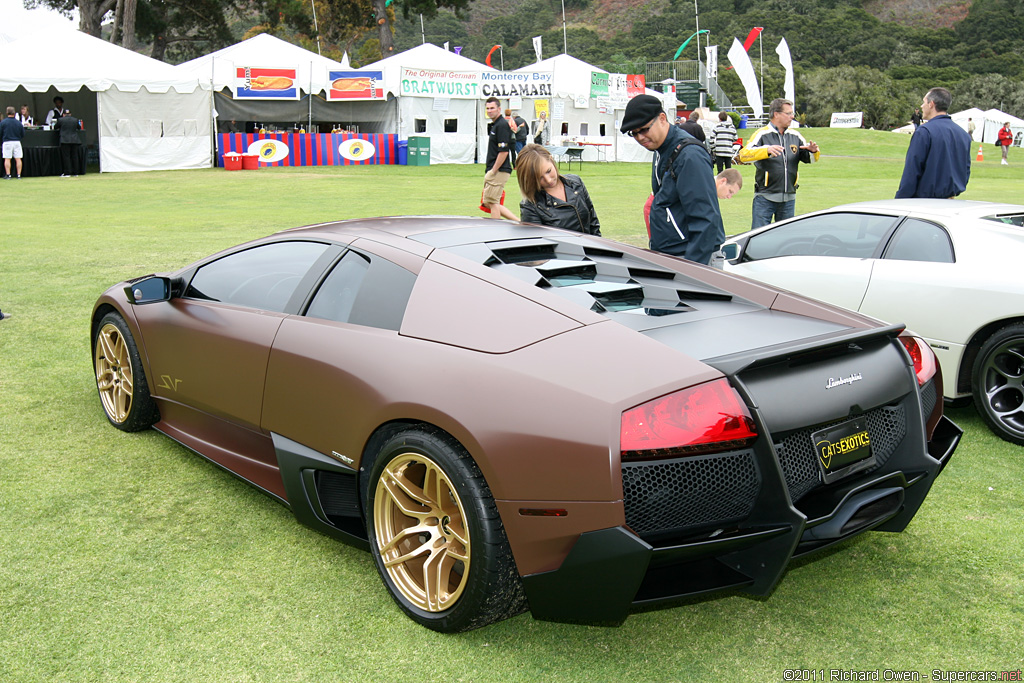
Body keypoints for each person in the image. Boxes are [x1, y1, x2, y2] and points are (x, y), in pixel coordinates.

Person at [621, 94, 725, 266]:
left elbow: (706, 218)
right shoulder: (661, 149)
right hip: (674, 254)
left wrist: (691, 272)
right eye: (634, 133)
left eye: (644, 129)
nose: (640, 137)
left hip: (693, 258)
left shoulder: (689, 155)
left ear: (662, 118)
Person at [739, 98, 820, 228]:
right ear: (776, 114)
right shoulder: (762, 134)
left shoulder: (796, 136)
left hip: (789, 199)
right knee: (758, 236)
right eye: (788, 113)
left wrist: (813, 152)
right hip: (765, 197)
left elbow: (811, 159)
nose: (792, 117)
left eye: (792, 113)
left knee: (785, 237)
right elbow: (744, 155)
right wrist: (766, 151)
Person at [895, 87, 971, 199]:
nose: (921, 106)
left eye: (924, 102)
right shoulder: (963, 134)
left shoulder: (924, 132)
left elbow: (912, 171)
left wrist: (900, 200)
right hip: (951, 201)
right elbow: (965, 171)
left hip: (925, 202)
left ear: (931, 104)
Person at [515, 144, 600, 235]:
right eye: (539, 178)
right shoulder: (531, 206)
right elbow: (539, 246)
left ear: (551, 159)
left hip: (590, 247)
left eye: (548, 171)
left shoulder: (576, 183)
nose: (548, 180)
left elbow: (593, 223)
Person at [482, 97, 517, 221]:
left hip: (499, 169)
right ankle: (519, 222)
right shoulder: (495, 125)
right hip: (496, 169)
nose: (489, 111)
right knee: (488, 201)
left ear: (499, 109)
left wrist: (493, 171)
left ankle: (495, 231)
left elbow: (503, 152)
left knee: (492, 202)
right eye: (487, 108)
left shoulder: (501, 125)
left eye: (492, 108)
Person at [1, 106, 25, 179]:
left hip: (7, 141)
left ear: (7, 112)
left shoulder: (3, 122)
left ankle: (8, 174)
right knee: (18, 158)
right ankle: (19, 175)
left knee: (7, 159)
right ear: (14, 113)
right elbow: (23, 134)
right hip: (17, 142)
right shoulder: (18, 123)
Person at [57, 109, 82, 177]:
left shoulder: (60, 120)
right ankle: (75, 172)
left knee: (66, 157)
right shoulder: (75, 120)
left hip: (65, 140)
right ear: (70, 114)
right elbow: (79, 128)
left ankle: (67, 172)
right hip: (74, 140)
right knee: (74, 156)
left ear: (63, 114)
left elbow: (55, 127)